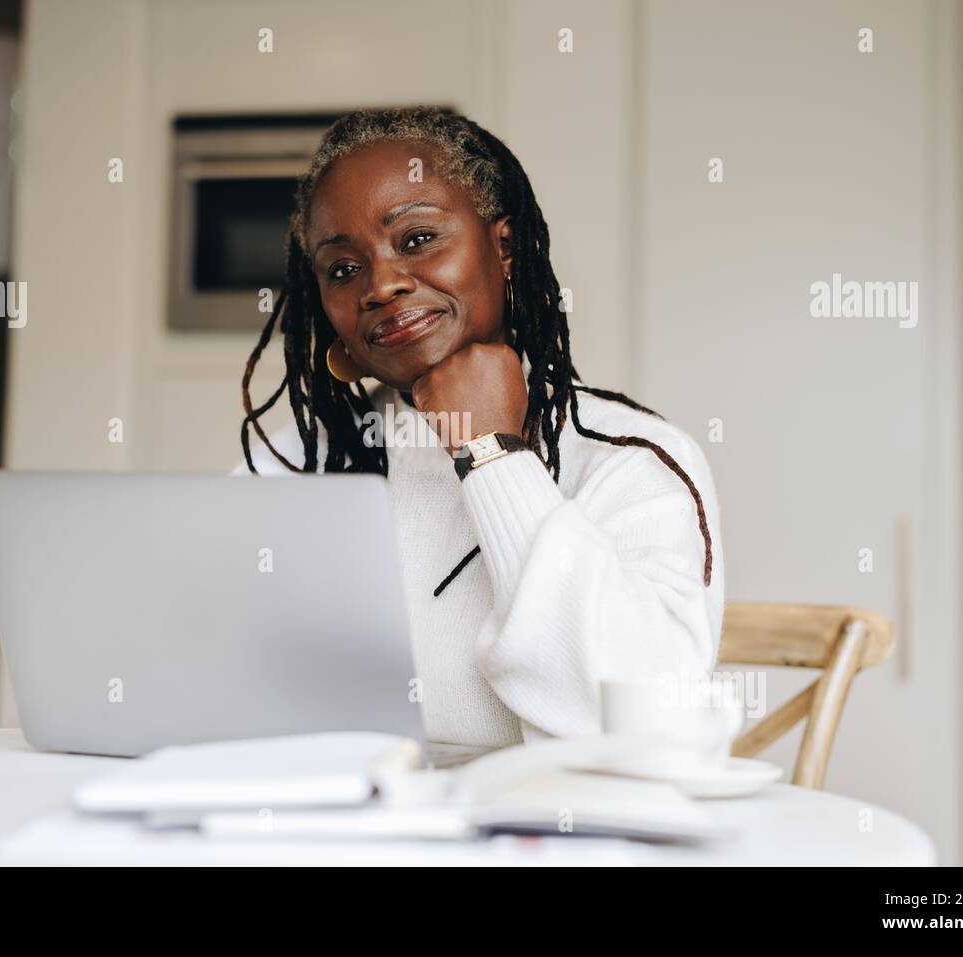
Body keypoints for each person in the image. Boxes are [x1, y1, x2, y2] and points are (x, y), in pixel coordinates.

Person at [236, 107, 724, 764]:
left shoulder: (626, 462)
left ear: (504, 247)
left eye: (416, 239)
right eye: (343, 269)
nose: (382, 284)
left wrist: (494, 454)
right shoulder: (289, 464)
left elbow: (644, 735)